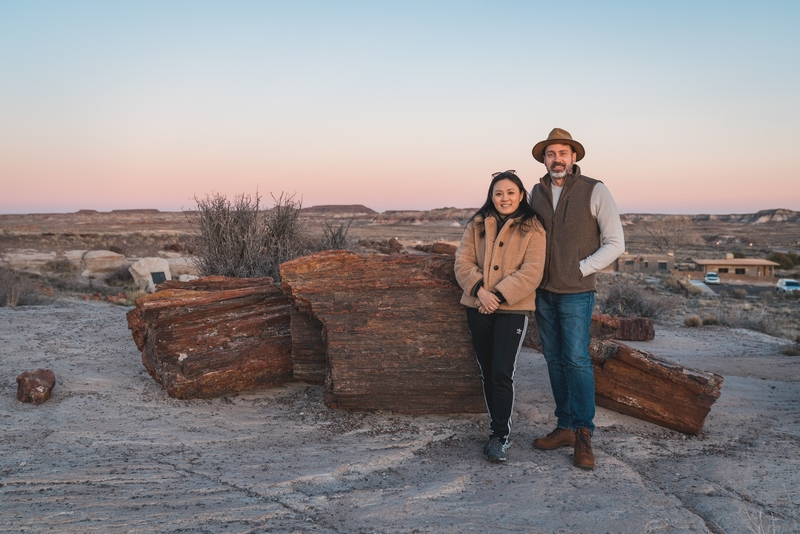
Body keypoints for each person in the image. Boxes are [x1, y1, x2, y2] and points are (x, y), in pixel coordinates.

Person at [528, 128, 625, 470]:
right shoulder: (535, 193)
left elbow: (615, 243)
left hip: (576, 292)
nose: (557, 158)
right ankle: (565, 426)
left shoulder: (594, 190)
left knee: (576, 359)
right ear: (544, 158)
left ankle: (583, 433)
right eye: (551, 153)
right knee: (554, 359)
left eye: (563, 153)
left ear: (573, 158)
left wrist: (582, 267)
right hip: (542, 292)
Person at [454, 170, 546, 463]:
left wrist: (498, 297)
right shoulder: (477, 224)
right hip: (478, 304)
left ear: (521, 195)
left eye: (510, 193)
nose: (504, 198)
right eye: (498, 193)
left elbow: (532, 272)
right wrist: (480, 291)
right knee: (486, 370)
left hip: (513, 309)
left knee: (502, 373)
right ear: (491, 196)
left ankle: (500, 437)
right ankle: (496, 431)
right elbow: (462, 261)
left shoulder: (533, 228)